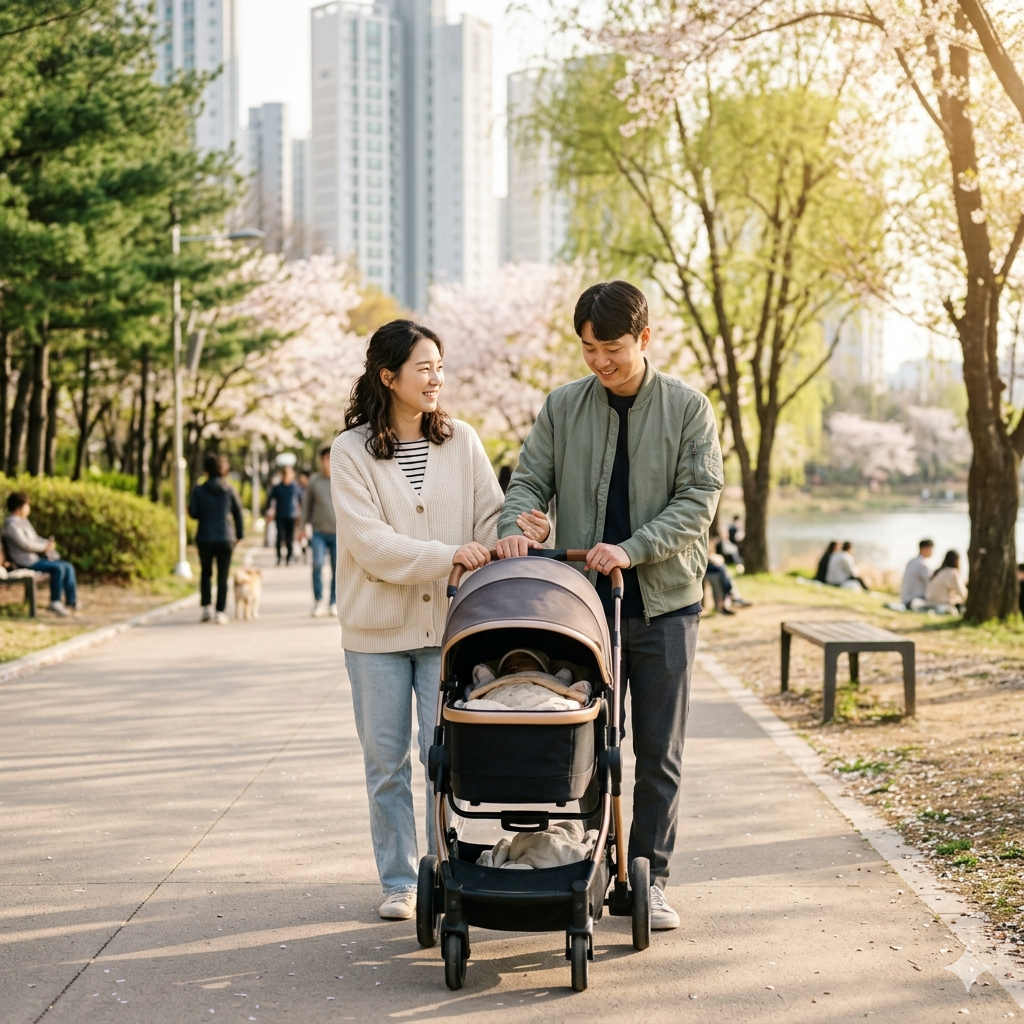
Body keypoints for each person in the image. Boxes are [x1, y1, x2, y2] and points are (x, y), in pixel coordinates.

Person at [496, 280, 723, 931]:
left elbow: (699, 499)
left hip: (664, 605)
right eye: (589, 349)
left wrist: (631, 548)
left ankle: (649, 877)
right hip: (581, 610)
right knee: (585, 744)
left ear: (644, 339)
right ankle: (586, 863)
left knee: (658, 752)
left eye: (613, 349)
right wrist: (519, 524)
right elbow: (529, 480)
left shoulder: (688, 408)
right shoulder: (563, 406)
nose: (600, 362)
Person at [332, 319, 503, 921]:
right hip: (375, 636)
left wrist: (519, 532)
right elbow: (372, 546)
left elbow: (491, 520)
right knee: (386, 765)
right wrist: (449, 554)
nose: (436, 379)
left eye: (440, 367)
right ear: (388, 377)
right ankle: (401, 881)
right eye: (423, 368)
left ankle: (448, 871)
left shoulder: (462, 441)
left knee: (447, 761)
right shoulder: (350, 451)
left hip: (447, 632)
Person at [188, 453, 244, 624]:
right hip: (225, 537)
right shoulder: (229, 489)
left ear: (205, 471)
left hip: (205, 537)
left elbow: (193, 513)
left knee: (206, 573)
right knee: (222, 576)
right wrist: (239, 535)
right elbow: (238, 513)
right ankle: (220, 611)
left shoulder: (198, 490)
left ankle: (206, 607)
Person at [1, 492, 77, 616]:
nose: (28, 508)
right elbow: (25, 544)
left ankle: (72, 602)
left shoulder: (23, 521)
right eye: (27, 505)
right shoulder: (11, 525)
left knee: (67, 566)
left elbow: (34, 538)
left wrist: (47, 543)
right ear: (19, 507)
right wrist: (43, 547)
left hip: (34, 559)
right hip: (24, 562)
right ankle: (55, 602)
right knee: (58, 568)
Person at [302, 446, 338, 617]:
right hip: (318, 532)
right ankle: (318, 600)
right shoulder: (314, 481)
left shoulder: (341, 476)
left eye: (329, 458)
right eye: (324, 458)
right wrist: (302, 528)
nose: (326, 462)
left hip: (339, 532)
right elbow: (306, 505)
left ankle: (333, 601)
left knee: (337, 569)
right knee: (317, 564)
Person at [267, 465, 299, 565]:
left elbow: (301, 500)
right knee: (279, 538)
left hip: (291, 516)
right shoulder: (277, 488)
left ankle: (289, 557)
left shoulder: (295, 487)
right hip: (280, 516)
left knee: (290, 538)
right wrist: (268, 511)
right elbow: (270, 500)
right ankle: (279, 557)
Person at [900, 539, 934, 608]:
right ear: (924, 549)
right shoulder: (923, 564)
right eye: (931, 549)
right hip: (915, 600)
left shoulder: (911, 561)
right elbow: (931, 583)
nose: (932, 552)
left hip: (905, 599)